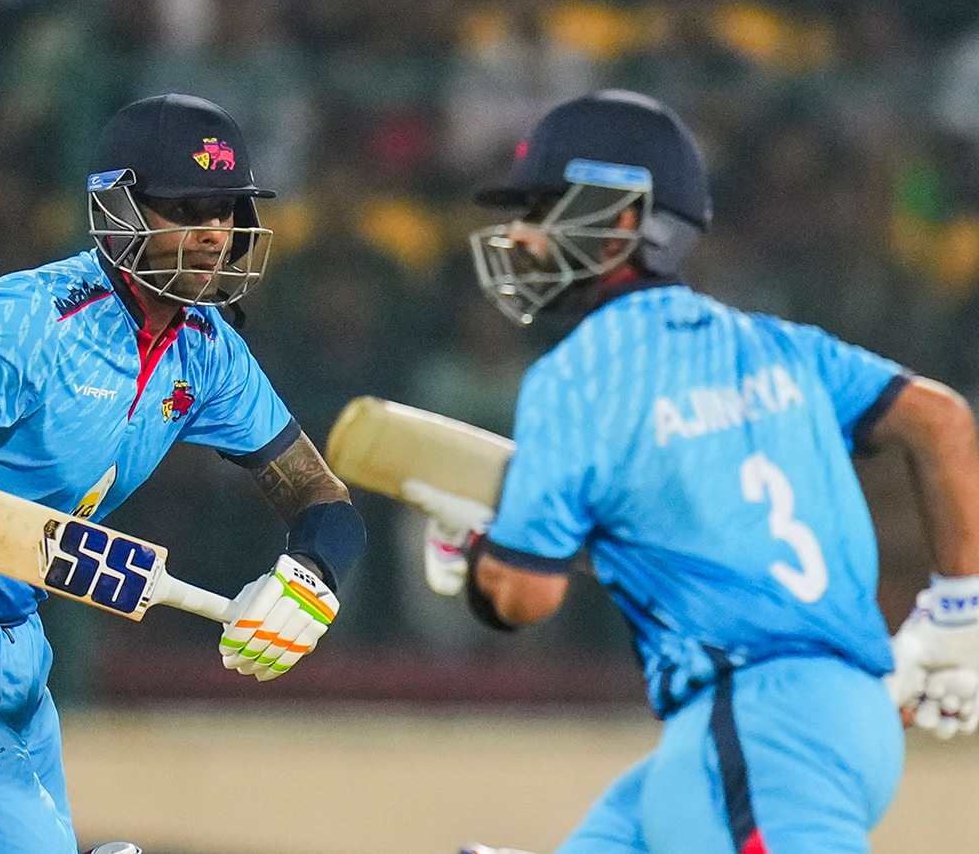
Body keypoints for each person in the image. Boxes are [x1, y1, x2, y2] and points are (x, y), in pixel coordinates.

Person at [0, 93, 365, 854]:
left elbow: (320, 495)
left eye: (226, 209)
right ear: (117, 207)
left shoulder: (208, 348)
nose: (215, 234)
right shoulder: (31, 320)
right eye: (186, 207)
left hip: (16, 633)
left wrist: (311, 579)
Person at [412, 90, 979, 854]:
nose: (520, 235)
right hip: (828, 720)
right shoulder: (776, 344)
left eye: (541, 209)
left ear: (619, 220)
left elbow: (522, 594)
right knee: (633, 820)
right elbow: (941, 420)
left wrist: (481, 557)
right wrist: (960, 611)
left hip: (758, 723)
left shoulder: (575, 376)